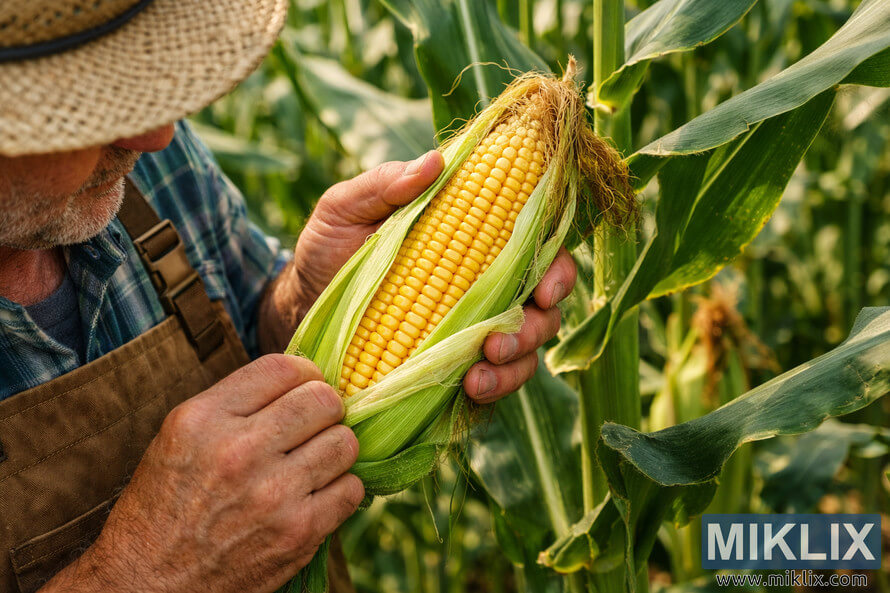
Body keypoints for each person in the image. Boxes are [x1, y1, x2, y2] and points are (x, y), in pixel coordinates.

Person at [0, 1, 577, 592]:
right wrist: (143, 573)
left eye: (132, 77)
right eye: (84, 103)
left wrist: (307, 302)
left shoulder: (151, 159)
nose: (156, 133)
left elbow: (250, 322)